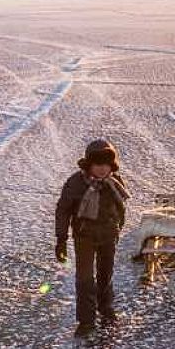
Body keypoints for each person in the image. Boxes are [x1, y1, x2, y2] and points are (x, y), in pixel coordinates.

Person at [55, 139, 130, 337]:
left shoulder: (115, 183)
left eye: (106, 165)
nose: (102, 169)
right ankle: (86, 321)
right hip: (84, 237)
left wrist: (118, 228)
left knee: (105, 274)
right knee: (85, 279)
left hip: (108, 235)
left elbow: (121, 208)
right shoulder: (76, 183)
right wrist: (61, 239)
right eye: (98, 164)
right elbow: (62, 210)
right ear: (89, 165)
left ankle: (105, 307)